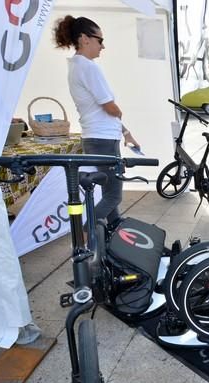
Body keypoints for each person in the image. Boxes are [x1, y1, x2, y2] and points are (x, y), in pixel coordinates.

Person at [54, 15, 142, 227]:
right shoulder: (88, 67)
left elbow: (101, 110)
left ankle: (115, 229)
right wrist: (119, 113)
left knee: (109, 191)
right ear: (85, 39)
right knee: (113, 196)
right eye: (100, 40)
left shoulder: (76, 66)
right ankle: (85, 233)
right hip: (103, 140)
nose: (103, 46)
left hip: (97, 137)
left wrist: (125, 131)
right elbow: (109, 107)